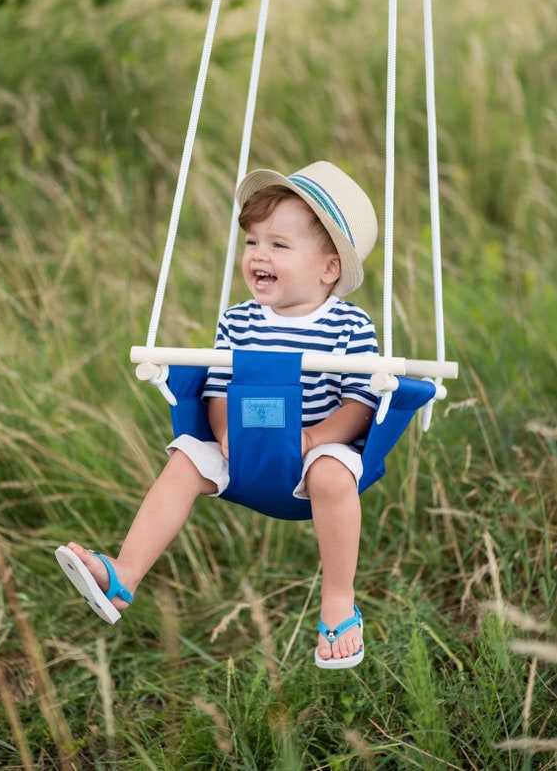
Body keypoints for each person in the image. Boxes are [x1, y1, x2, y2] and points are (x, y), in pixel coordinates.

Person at [56, 160, 379, 670]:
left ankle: (338, 601)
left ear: (329, 267)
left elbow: (363, 403)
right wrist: (227, 434)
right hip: (244, 452)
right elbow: (219, 388)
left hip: (316, 452)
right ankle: (123, 576)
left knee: (334, 473)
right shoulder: (237, 321)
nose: (258, 255)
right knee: (186, 457)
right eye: (252, 242)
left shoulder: (349, 326)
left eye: (278, 244)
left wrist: (314, 440)